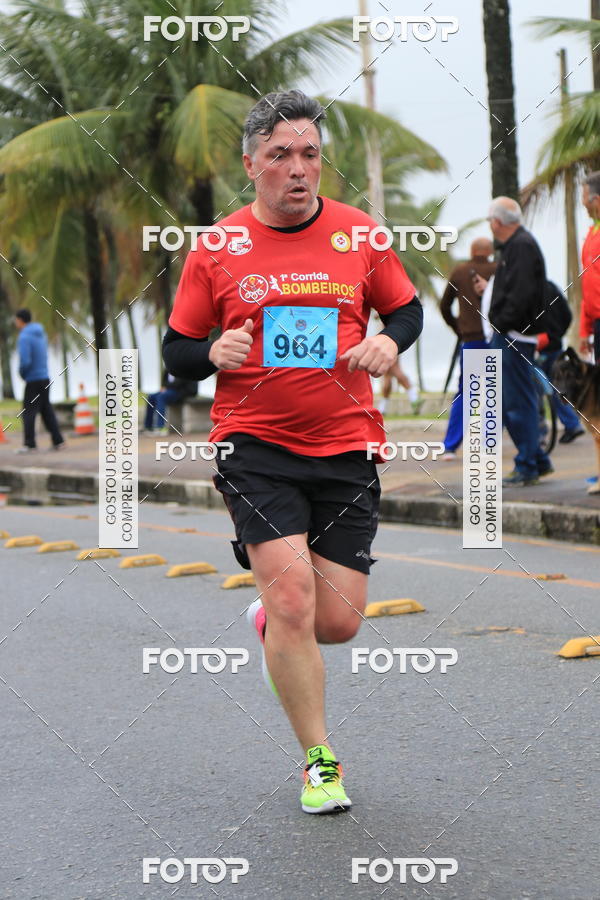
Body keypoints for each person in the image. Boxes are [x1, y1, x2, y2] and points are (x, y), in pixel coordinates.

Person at [163, 90, 422, 814]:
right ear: (251, 165)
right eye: (280, 155)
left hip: (345, 446)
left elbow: (406, 309)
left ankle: (274, 625)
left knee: (337, 623)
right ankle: (319, 762)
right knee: (292, 597)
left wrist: (387, 341)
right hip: (254, 447)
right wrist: (211, 352)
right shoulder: (218, 247)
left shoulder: (359, 234)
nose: (299, 168)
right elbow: (177, 349)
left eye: (309, 153)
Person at [473, 197, 552, 486]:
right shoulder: (518, 245)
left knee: (517, 403)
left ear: (497, 222)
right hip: (512, 335)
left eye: (489, 221)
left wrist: (502, 323)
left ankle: (528, 465)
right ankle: (537, 460)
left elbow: (521, 294)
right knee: (510, 402)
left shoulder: (521, 246)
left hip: (514, 336)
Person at [439, 237, 496, 459]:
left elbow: (444, 305)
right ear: (490, 251)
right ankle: (487, 443)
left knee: (466, 393)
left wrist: (458, 327)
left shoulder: (460, 271)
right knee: (493, 390)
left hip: (471, 340)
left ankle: (450, 446)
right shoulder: (498, 270)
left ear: (472, 251)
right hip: (495, 339)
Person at [536, 280, 584, 444]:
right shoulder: (552, 288)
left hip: (537, 347)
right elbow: (567, 316)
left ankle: (539, 432)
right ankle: (572, 424)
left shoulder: (525, 289)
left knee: (534, 389)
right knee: (558, 387)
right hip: (555, 346)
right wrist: (557, 334)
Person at [14, 308, 64, 453]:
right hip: (45, 378)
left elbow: (25, 361)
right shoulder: (41, 334)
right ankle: (58, 441)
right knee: (46, 410)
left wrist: (22, 373)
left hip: (33, 380)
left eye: (16, 320)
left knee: (28, 412)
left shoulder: (24, 337)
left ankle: (30, 444)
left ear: (20, 320)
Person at [580, 170, 600, 362]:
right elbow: (588, 284)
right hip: (597, 323)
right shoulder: (592, 233)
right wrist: (585, 329)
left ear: (597, 200)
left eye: (585, 197)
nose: (583, 203)